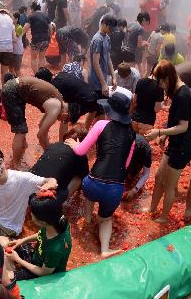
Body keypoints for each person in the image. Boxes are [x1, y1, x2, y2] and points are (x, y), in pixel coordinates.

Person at [72, 89, 135, 257]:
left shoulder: (100, 125)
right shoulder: (132, 134)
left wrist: (73, 143)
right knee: (106, 219)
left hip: (93, 183)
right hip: (115, 189)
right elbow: (126, 164)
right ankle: (105, 249)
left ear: (109, 111)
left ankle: (87, 218)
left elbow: (80, 151)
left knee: (89, 190)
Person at [144, 60, 191, 223]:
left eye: (160, 81)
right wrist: (166, 135)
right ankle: (152, 208)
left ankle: (164, 217)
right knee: (159, 176)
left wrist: (160, 131)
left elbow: (183, 126)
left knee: (169, 185)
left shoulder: (182, 94)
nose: (160, 85)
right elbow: (175, 120)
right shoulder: (177, 89)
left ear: (167, 78)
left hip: (183, 145)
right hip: (175, 142)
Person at [0, 73, 64, 169]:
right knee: (20, 131)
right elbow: (41, 135)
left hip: (16, 89)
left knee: (22, 127)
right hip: (12, 91)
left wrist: (47, 148)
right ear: (66, 114)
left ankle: (22, 147)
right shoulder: (56, 106)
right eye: (63, 120)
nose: (60, 120)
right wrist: (50, 153)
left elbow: (41, 125)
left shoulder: (58, 99)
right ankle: (16, 164)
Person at [3, 192, 71, 281]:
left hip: (39, 273)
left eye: (32, 214)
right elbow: (41, 235)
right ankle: (14, 265)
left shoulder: (55, 250)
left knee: (7, 277)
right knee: (3, 241)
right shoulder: (57, 222)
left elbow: (43, 273)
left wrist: (18, 260)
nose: (30, 215)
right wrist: (22, 240)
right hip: (36, 257)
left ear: (43, 222)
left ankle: (14, 269)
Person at [29, 126, 90, 207]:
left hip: (28, 191)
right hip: (45, 201)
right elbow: (85, 176)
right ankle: (57, 202)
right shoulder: (80, 154)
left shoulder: (54, 145)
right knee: (79, 178)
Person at [122, 134, 151, 202]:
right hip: (127, 151)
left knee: (131, 175)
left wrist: (134, 190)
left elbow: (146, 173)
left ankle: (132, 174)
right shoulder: (122, 147)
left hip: (140, 153)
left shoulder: (146, 151)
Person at [24, 1, 52, 72]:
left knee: (33, 58)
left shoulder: (31, 16)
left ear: (32, 8)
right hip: (45, 39)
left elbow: (26, 28)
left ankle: (36, 74)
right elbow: (50, 27)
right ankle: (41, 74)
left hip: (36, 40)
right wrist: (50, 37)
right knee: (42, 58)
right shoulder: (45, 16)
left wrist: (20, 35)